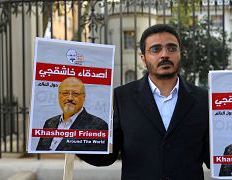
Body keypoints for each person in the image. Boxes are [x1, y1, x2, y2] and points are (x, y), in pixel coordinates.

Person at [77, 24, 210, 180]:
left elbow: (213, 157)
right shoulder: (122, 97)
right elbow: (107, 156)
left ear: (180, 54)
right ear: (143, 59)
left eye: (172, 48)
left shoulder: (204, 99)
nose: (164, 55)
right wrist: (71, 141)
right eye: (155, 49)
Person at [36, 77, 108, 151]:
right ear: (59, 96)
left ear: (84, 97)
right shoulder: (49, 123)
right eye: (65, 93)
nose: (70, 98)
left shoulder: (98, 126)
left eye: (75, 94)